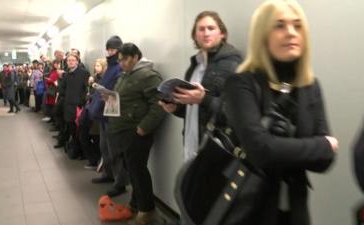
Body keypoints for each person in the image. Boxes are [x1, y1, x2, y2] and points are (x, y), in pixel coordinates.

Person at [222, 1, 338, 224]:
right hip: (247, 210)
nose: (291, 33)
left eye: (297, 26)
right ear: (262, 35)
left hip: (295, 211)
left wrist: (284, 146)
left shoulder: (309, 87)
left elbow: (325, 161)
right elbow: (261, 150)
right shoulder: (241, 84)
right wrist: (319, 145)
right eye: (279, 26)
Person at [159, 11, 242, 162]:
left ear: (222, 33)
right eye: (201, 29)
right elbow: (193, 110)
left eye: (211, 28)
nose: (206, 33)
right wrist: (176, 108)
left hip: (218, 152)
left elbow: (238, 114)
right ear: (195, 36)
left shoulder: (234, 63)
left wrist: (204, 99)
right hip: (192, 147)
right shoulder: (195, 66)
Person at [106, 43, 166, 225]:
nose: (121, 63)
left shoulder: (148, 76)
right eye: (119, 60)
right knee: (132, 170)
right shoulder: (126, 75)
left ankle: (147, 210)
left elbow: (159, 103)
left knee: (138, 171)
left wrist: (144, 127)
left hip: (136, 131)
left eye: (124, 59)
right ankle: (135, 204)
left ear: (135, 57)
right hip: (124, 130)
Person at [91, 36, 129, 198]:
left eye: (113, 49)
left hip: (113, 115)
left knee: (115, 151)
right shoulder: (111, 67)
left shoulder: (118, 68)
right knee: (104, 147)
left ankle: (120, 183)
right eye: (108, 49)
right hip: (104, 114)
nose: (110, 52)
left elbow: (119, 90)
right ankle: (108, 174)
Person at [54, 53, 90, 149]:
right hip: (68, 105)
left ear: (77, 62)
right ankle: (75, 148)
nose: (70, 62)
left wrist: (81, 102)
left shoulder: (84, 73)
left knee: (79, 130)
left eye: (73, 60)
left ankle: (80, 150)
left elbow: (86, 89)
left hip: (78, 106)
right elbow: (62, 89)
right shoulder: (66, 74)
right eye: (69, 60)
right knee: (72, 129)